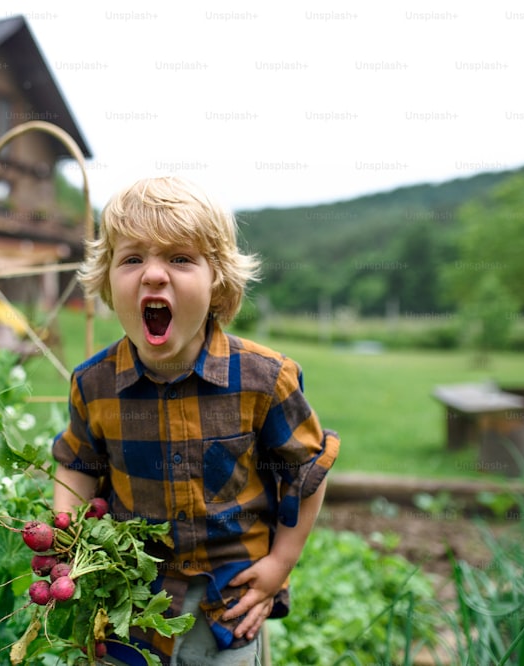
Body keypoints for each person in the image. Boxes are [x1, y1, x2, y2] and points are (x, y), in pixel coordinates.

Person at [52, 176, 340, 665]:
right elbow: (77, 462)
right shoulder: (93, 384)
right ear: (106, 282)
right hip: (130, 603)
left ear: (218, 282)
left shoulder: (264, 379)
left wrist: (279, 565)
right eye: (132, 259)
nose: (153, 275)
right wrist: (65, 538)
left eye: (180, 259)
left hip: (229, 603)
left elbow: (305, 474)